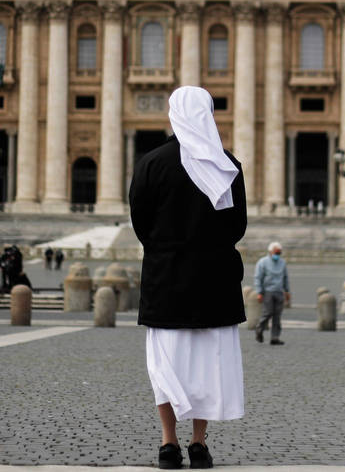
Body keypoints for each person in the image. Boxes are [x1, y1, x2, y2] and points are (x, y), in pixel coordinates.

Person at [129, 85, 247, 470]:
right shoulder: (226, 164)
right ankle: (198, 443)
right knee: (208, 368)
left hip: (166, 280)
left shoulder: (151, 163)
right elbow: (238, 225)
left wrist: (163, 249)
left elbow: (140, 220)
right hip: (215, 282)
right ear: (209, 115)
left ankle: (168, 443)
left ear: (173, 114)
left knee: (166, 367)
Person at [253, 242, 290, 345]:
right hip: (268, 291)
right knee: (267, 313)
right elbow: (258, 278)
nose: (278, 255)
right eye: (276, 252)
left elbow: (285, 277)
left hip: (279, 291)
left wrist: (287, 291)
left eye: (279, 253)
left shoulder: (282, 263)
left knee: (277, 316)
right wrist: (259, 292)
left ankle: (275, 337)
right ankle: (259, 329)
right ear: (270, 252)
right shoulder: (262, 262)